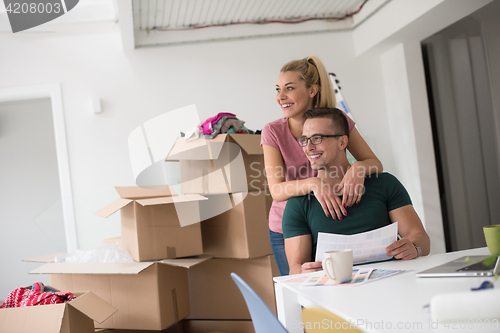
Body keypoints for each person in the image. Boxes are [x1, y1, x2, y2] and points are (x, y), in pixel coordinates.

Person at [260, 56, 383, 276]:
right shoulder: (273, 131)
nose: (280, 97)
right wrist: (314, 183)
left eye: (289, 88)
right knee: (302, 290)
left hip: (329, 221)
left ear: (312, 90)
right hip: (288, 226)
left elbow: (375, 163)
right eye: (278, 89)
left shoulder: (337, 121)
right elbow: (276, 190)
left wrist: (358, 168)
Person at [282, 108, 430, 275]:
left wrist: (414, 247)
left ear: (342, 142)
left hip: (392, 285)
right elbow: (295, 268)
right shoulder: (299, 204)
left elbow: (420, 238)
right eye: (304, 140)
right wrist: (303, 272)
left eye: (317, 138)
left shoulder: (385, 184)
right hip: (334, 293)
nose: (308, 147)